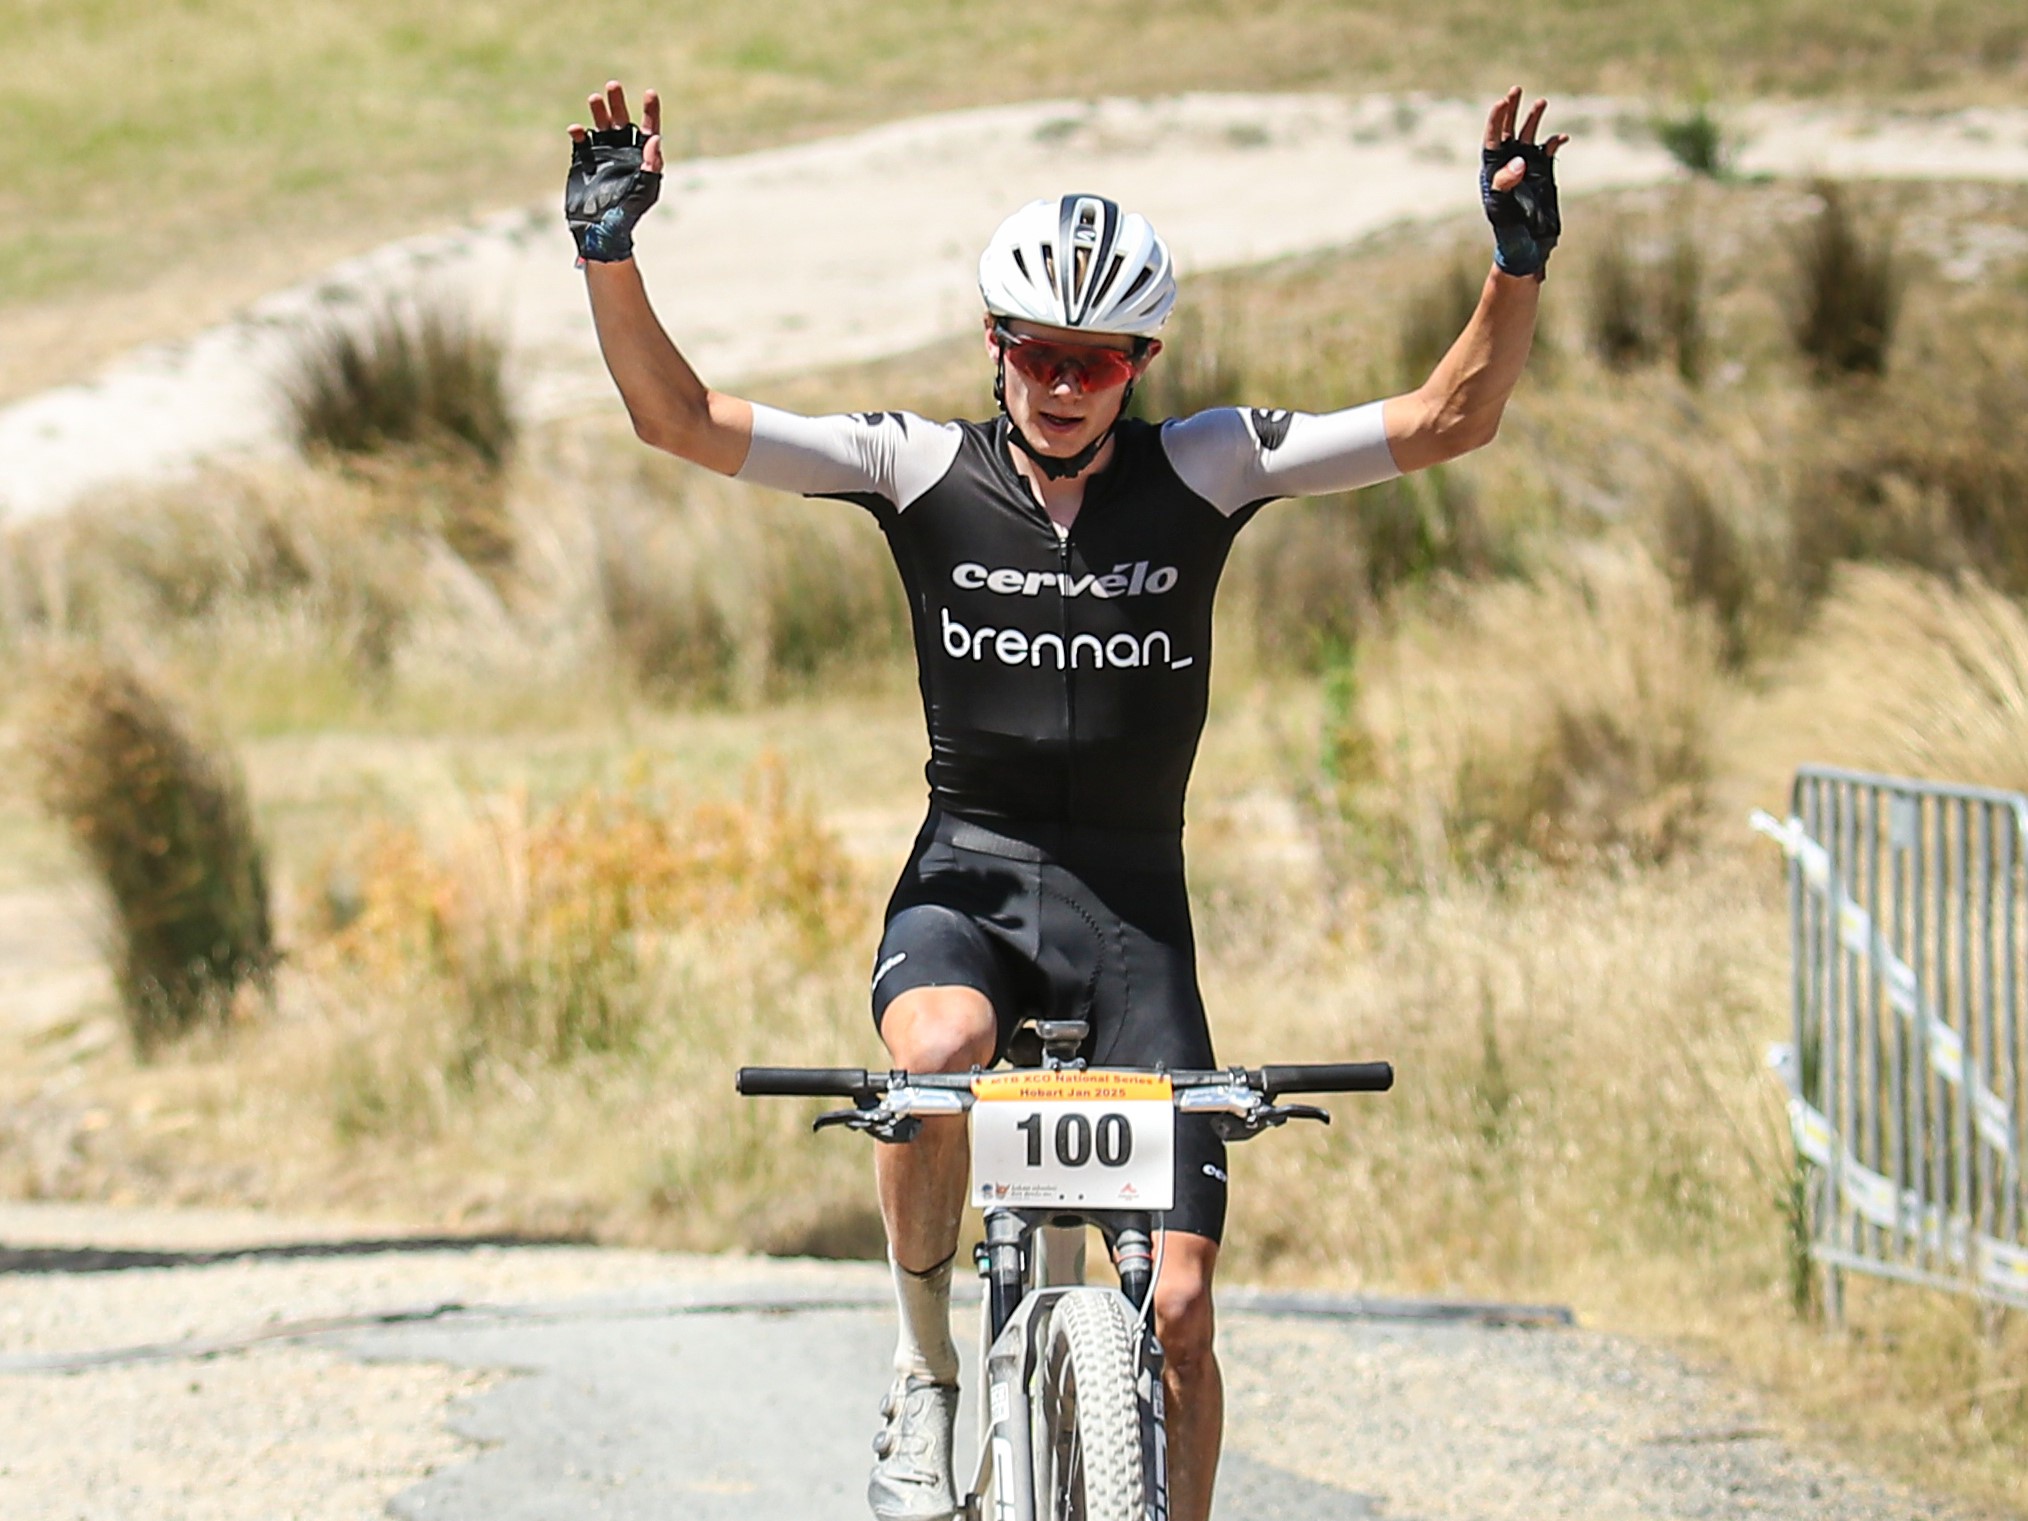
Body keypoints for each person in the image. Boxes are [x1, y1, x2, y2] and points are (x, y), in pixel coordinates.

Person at [566, 79, 1566, 1521]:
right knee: (938, 1058)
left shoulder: (1211, 466)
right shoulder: (915, 469)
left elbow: (1451, 416)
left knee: (1181, 1316)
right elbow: (678, 419)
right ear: (996, 347)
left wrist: (1513, 266)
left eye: (1097, 361)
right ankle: (925, 1373)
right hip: (963, 883)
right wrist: (610, 252)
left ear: (1139, 361)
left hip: (1130, 917)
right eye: (1037, 352)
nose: (1062, 383)